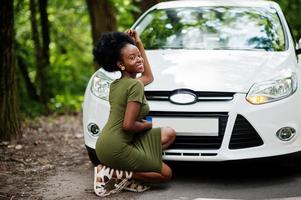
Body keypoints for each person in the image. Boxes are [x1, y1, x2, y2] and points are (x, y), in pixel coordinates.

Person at [92, 30, 176, 197]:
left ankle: (130, 171)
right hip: (115, 147)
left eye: (138, 56)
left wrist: (138, 43)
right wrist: (150, 124)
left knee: (169, 133)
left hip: (106, 143)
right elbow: (128, 125)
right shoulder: (135, 86)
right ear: (121, 65)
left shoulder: (117, 84)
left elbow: (148, 76)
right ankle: (109, 171)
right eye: (132, 58)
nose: (139, 59)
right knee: (165, 174)